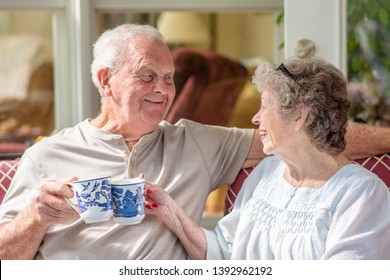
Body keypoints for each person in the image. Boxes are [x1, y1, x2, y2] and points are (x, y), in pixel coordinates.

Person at [0, 24, 388, 260]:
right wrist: (37, 217)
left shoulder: (196, 141)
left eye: (169, 78)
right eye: (147, 76)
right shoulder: (46, 154)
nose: (163, 90)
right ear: (105, 80)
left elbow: (306, 136)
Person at [145, 57, 390, 260]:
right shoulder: (267, 171)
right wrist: (168, 209)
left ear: (299, 116)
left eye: (265, 107)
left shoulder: (361, 193)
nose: (255, 118)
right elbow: (222, 252)